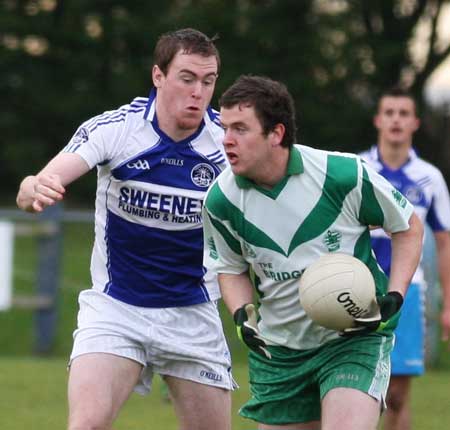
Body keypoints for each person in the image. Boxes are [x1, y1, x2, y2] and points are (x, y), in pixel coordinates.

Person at [16, 28, 234, 430]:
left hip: (193, 313)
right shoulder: (116, 128)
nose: (198, 92)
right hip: (117, 308)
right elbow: (41, 182)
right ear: (158, 76)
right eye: (187, 78)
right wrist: (33, 189)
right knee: (87, 425)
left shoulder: (228, 142)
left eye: (208, 81)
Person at [202, 75, 424, 430]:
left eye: (240, 129)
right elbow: (229, 267)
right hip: (280, 354)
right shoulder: (221, 200)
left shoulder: (342, 175)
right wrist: (243, 315)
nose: (226, 140)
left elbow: (409, 227)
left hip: (352, 339)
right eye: (224, 127)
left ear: (275, 133)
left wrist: (395, 294)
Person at [359, 87, 450, 430]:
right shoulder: (358, 168)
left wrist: (448, 304)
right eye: (390, 112)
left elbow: (444, 242)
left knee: (396, 395)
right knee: (361, 387)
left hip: (408, 292)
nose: (396, 119)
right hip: (358, 289)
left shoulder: (430, 178)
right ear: (378, 120)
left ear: (415, 122)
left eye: (403, 113)